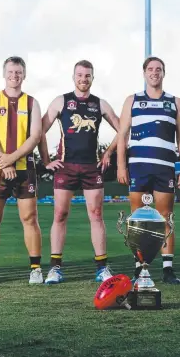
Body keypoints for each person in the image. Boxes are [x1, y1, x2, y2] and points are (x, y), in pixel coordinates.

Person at [38, 60, 121, 284]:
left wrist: (108, 153)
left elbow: (123, 128)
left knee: (96, 216)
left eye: (88, 76)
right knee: (60, 215)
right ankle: (55, 268)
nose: (83, 79)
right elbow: (39, 131)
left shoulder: (100, 104)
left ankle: (102, 267)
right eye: (80, 75)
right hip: (65, 166)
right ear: (73, 76)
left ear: (93, 78)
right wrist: (46, 161)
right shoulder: (61, 101)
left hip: (91, 167)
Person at [116, 56, 180, 284]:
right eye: (150, 69)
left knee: (166, 217)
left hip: (164, 168)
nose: (154, 72)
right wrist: (121, 164)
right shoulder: (133, 100)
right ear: (144, 73)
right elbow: (122, 135)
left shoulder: (175, 102)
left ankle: (168, 269)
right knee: (138, 219)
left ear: (164, 73)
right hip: (138, 167)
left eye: (159, 69)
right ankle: (140, 267)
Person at [0, 56, 44, 285]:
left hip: (25, 168)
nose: (14, 76)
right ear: (4, 73)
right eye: (11, 72)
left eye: (18, 72)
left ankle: (35, 268)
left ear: (24, 75)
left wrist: (12, 160)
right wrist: (4, 163)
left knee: (29, 218)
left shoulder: (32, 102)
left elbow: (35, 136)